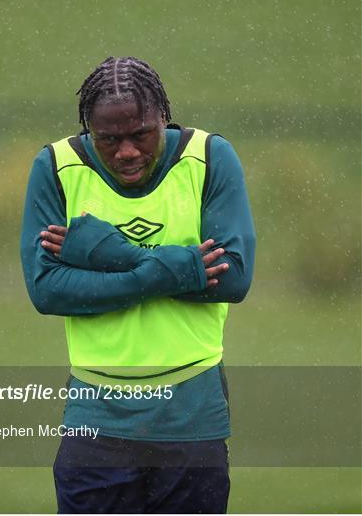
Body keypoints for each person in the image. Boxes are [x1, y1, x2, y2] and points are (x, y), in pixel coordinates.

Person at [20, 56, 256, 514]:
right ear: (88, 129)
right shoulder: (56, 166)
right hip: (96, 415)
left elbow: (234, 277)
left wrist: (108, 253)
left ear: (163, 119)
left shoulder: (208, 158)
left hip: (191, 410)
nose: (125, 152)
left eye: (140, 135)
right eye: (107, 139)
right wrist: (180, 268)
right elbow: (47, 289)